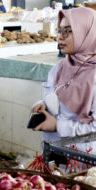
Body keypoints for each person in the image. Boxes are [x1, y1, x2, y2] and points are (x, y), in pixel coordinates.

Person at [31, 7, 96, 169]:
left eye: (67, 31)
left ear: (87, 33)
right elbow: (58, 98)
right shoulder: (60, 67)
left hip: (84, 161)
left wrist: (58, 125)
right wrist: (43, 104)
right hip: (53, 152)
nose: (60, 37)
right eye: (59, 31)